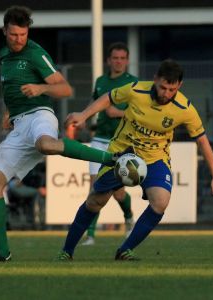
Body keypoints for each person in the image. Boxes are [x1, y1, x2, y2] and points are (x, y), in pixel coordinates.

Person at [0, 6, 122, 263]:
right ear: (5, 32)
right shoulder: (4, 56)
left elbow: (65, 89)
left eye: (23, 34)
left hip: (39, 116)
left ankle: (111, 159)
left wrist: (40, 87)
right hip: (18, 125)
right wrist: (7, 112)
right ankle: (2, 253)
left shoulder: (35, 53)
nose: (19, 39)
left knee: (46, 144)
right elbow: (11, 89)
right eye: (14, 34)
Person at [57, 59, 213, 261]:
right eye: (163, 87)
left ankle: (125, 250)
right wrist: (84, 114)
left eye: (171, 89)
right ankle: (67, 251)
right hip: (121, 154)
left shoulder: (185, 108)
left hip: (155, 160)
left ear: (179, 86)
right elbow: (109, 97)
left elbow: (202, 141)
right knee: (96, 201)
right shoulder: (137, 90)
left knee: (161, 202)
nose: (166, 93)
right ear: (155, 79)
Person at [81, 42, 138, 246]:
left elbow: (141, 114)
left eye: (123, 58)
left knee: (118, 192)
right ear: (109, 60)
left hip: (121, 144)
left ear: (127, 60)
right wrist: (84, 118)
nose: (119, 62)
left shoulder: (134, 83)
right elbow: (95, 103)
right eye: (115, 58)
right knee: (95, 188)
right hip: (99, 141)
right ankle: (90, 235)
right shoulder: (101, 81)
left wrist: (119, 113)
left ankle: (129, 219)